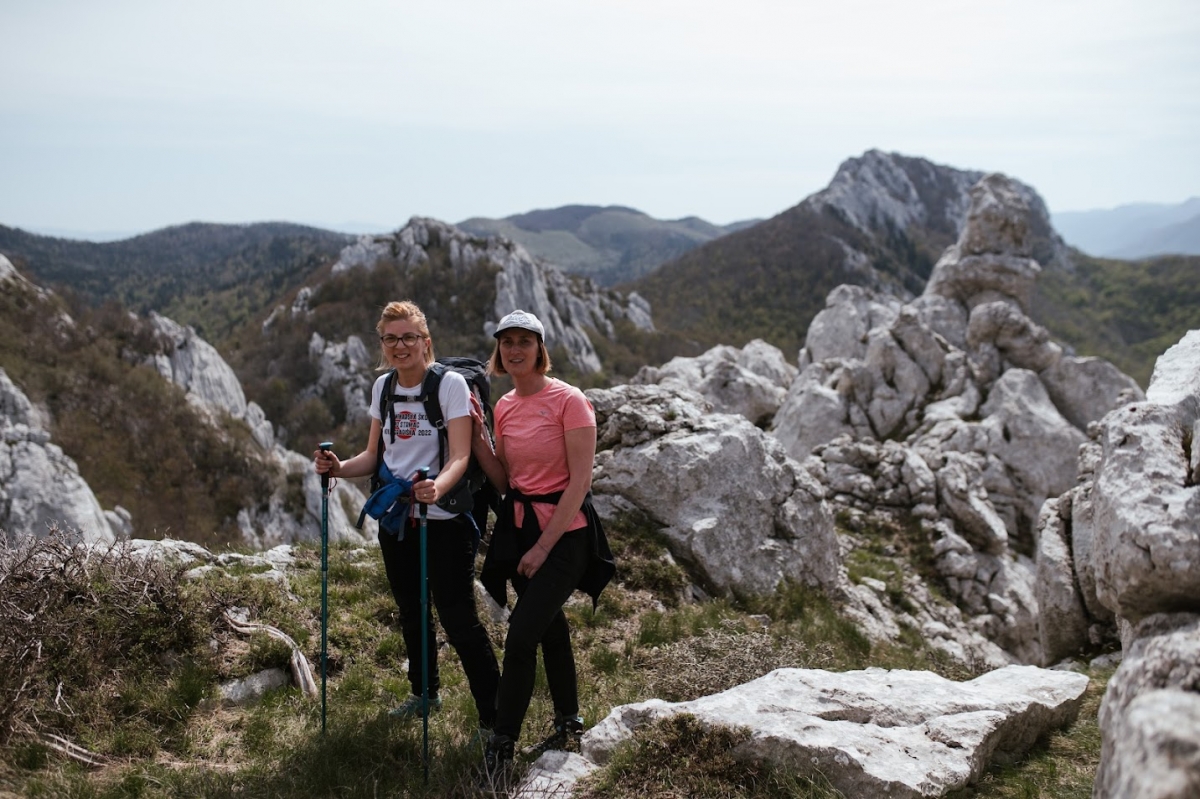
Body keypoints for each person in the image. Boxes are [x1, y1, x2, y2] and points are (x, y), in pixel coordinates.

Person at [313, 300, 500, 733]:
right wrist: (338, 468)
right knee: (412, 611)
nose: (400, 346)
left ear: (425, 342)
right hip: (398, 518)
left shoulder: (450, 385)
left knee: (458, 618)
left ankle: (494, 720)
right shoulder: (383, 387)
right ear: (382, 344)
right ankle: (424, 692)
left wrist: (438, 487)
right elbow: (374, 455)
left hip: (446, 519)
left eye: (409, 338)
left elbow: (460, 455)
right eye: (391, 339)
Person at [470, 310, 615, 782]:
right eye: (507, 342)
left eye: (524, 342)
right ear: (499, 350)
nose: (515, 350)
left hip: (567, 536)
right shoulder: (505, 406)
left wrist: (541, 549)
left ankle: (502, 743)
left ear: (540, 349)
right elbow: (506, 481)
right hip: (521, 531)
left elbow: (580, 483)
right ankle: (569, 723)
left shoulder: (570, 401)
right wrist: (478, 436)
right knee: (550, 629)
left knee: (520, 636)